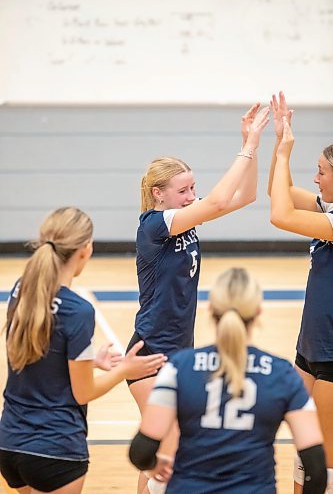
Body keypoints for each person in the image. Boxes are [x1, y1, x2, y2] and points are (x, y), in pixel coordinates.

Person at [126, 105, 270, 493]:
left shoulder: (182, 217)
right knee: (165, 450)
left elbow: (245, 196)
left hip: (178, 350)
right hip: (151, 350)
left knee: (167, 452)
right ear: (159, 194)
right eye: (184, 190)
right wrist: (249, 144)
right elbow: (220, 202)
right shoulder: (157, 225)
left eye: (193, 188)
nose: (192, 197)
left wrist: (249, 148)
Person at [0, 206, 166, 494]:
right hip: (55, 448)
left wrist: (87, 360)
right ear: (85, 250)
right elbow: (83, 393)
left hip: (9, 443)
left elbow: (35, 355)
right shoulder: (78, 310)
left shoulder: (21, 289)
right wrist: (125, 370)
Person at [129, 267, 327, 494]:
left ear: (211, 309)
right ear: (258, 312)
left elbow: (141, 452)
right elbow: (316, 469)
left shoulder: (179, 368)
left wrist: (155, 466)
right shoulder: (282, 374)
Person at [269, 91, 333, 493]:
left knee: (326, 458)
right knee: (303, 453)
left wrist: (283, 153)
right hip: (309, 349)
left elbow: (280, 215)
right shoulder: (325, 208)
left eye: (322, 170)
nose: (316, 178)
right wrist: (281, 142)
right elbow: (280, 193)